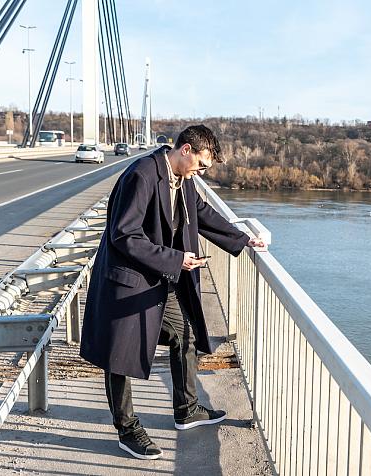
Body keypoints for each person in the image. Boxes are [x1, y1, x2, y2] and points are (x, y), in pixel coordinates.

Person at [79, 125, 263, 460]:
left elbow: (201, 213)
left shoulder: (183, 177)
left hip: (156, 276)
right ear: (186, 150)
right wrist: (176, 259)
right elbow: (124, 235)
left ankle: (187, 410)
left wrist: (242, 238)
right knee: (118, 355)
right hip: (127, 280)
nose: (201, 172)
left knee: (185, 333)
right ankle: (127, 430)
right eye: (201, 164)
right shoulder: (143, 175)